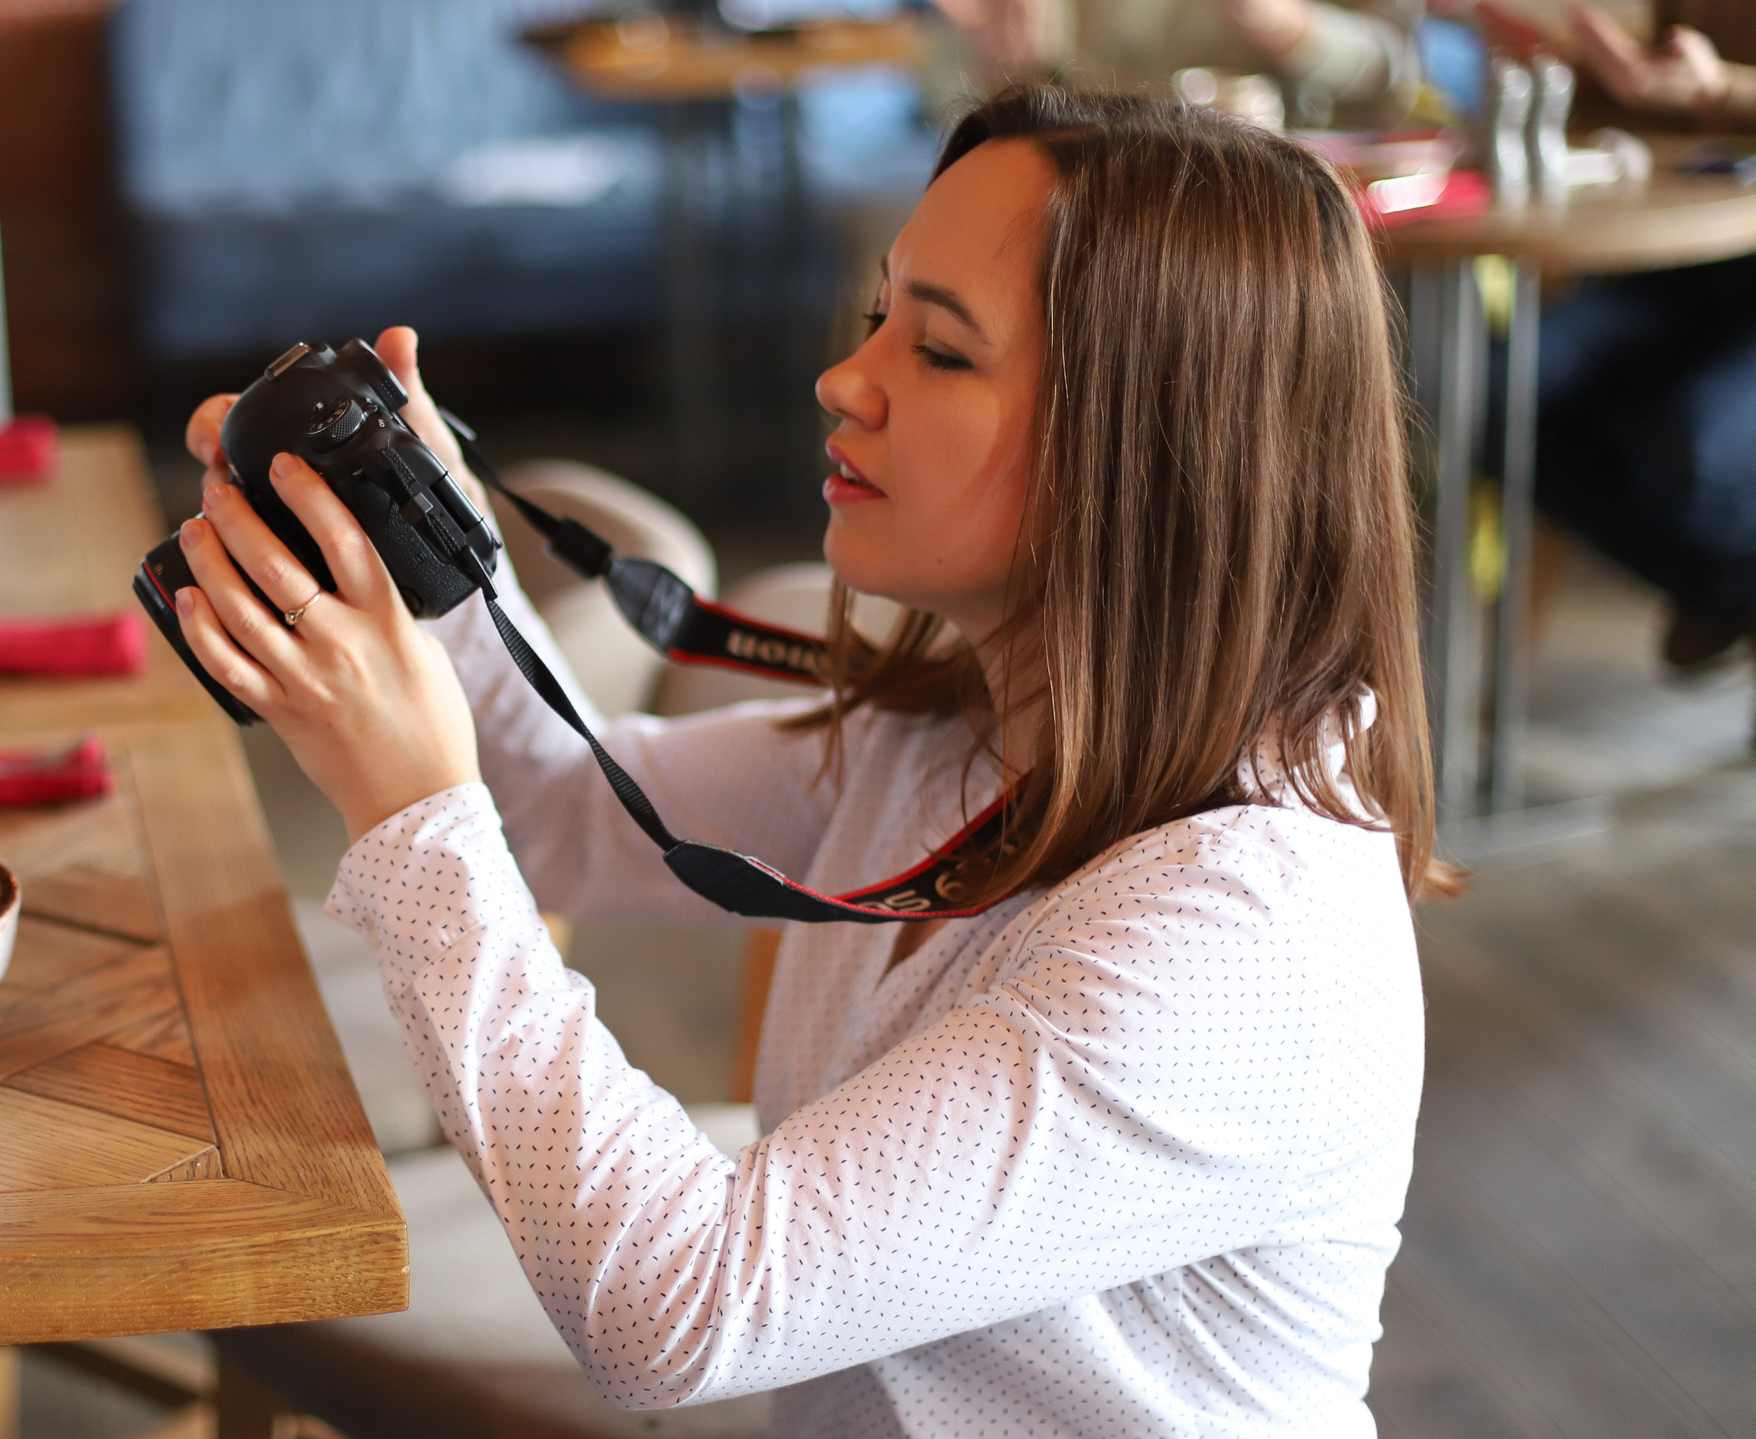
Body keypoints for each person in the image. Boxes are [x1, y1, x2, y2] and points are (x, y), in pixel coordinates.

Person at [169, 88, 1441, 1436]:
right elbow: (562, 812)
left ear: (1149, 446)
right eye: (873, 316)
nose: (845, 380)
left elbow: (675, 1307)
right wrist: (427, 536)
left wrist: (413, 808)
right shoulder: (981, 727)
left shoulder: (1233, 942)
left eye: (939, 352)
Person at [1481, 1, 1756, 670]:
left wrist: (1723, 90)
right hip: (1681, 256)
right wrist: (1584, 68)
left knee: (1695, 459)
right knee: (1481, 394)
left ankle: (1727, 591)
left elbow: (1706, 88)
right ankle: (1729, 592)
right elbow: (1651, 102)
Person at [925, 0, 1425, 127]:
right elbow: (954, 89)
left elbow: (1393, 74)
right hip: (1102, 194)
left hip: (1285, 212)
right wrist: (1023, 63)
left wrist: (1285, 25)